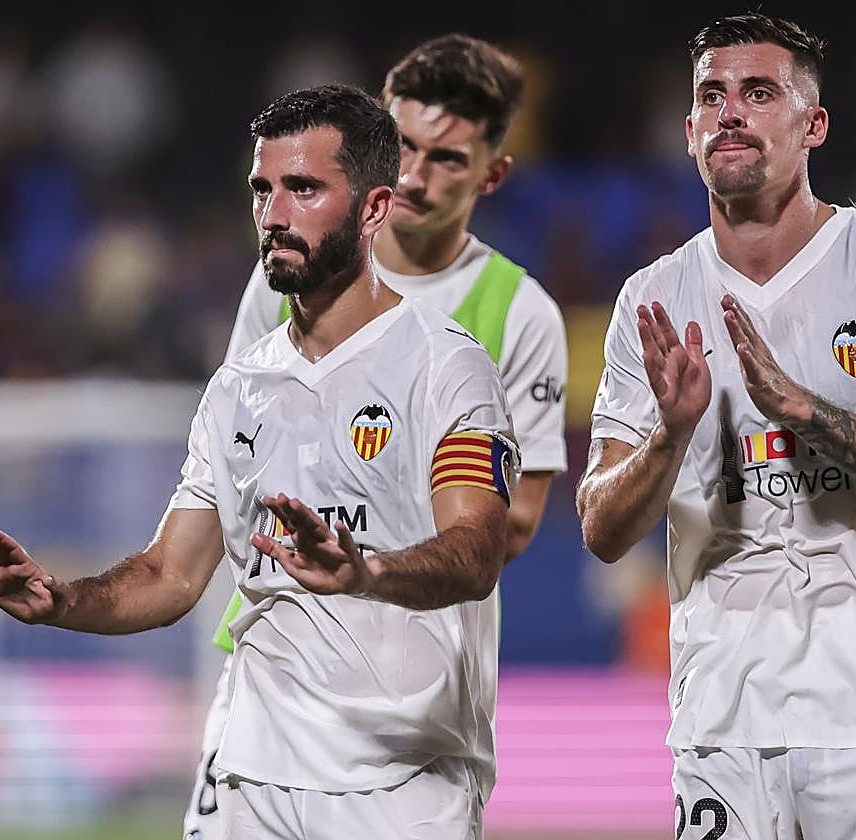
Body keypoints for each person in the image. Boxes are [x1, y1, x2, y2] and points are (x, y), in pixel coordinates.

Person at [0, 84, 518, 840]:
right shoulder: (239, 386)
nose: (274, 214)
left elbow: (477, 551)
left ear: (375, 208)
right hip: (254, 783)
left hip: (405, 785)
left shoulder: (447, 367)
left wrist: (365, 573)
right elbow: (170, 574)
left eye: (304, 188)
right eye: (263, 190)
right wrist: (62, 601)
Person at [576, 13, 856, 840]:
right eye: (711, 96)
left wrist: (806, 412)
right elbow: (601, 528)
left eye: (758, 93)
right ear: (690, 131)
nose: (730, 112)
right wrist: (671, 434)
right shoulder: (650, 299)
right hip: (727, 730)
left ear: (814, 123)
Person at [184, 34, 568, 839]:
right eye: (404, 147)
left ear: (491, 174)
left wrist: (373, 558)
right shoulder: (282, 271)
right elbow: (242, 434)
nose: (418, 175)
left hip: (405, 664)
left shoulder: (513, 311)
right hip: (272, 655)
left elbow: (515, 522)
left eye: (448, 158)